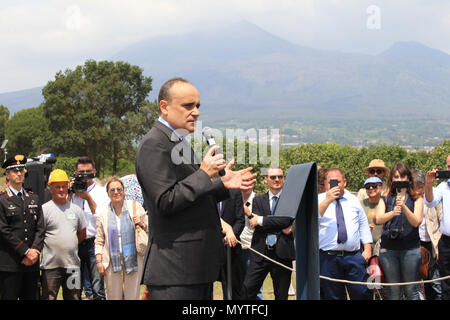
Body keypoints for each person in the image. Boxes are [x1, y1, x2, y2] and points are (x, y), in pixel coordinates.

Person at [135, 77, 256, 300]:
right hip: (176, 269)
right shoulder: (154, 144)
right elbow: (165, 201)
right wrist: (203, 174)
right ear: (164, 107)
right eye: (188, 106)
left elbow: (191, 196)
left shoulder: (178, 142)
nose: (196, 112)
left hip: (195, 267)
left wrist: (222, 184)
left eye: (198, 105)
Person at [318, 168, 372, 300]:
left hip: (353, 256)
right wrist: (327, 200)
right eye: (331, 182)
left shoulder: (353, 200)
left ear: (345, 182)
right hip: (328, 258)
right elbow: (311, 220)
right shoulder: (318, 199)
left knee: (361, 293)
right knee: (333, 296)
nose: (335, 185)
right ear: (325, 183)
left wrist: (368, 248)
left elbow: (363, 224)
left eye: (338, 181)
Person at [242, 167, 295, 300]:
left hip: (282, 255)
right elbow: (281, 223)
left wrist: (261, 220)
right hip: (260, 253)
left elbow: (286, 220)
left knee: (281, 295)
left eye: (280, 177)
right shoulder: (258, 200)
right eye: (273, 177)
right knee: (247, 291)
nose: (277, 180)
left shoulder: (290, 200)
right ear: (266, 180)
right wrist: (281, 225)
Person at [374, 162, 423, 300]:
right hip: (389, 249)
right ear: (391, 179)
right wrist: (393, 212)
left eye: (403, 176)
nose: (399, 180)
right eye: (396, 176)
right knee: (393, 291)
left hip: (410, 249)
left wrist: (404, 207)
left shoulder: (416, 197)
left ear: (408, 178)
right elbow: (377, 219)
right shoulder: (385, 196)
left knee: (411, 290)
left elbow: (416, 221)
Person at [95, 177, 148, 300]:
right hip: (112, 262)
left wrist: (141, 223)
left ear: (124, 192)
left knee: (132, 296)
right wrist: (98, 261)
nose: (116, 192)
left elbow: (149, 228)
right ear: (108, 194)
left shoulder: (135, 207)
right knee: (114, 297)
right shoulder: (103, 213)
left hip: (133, 261)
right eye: (112, 190)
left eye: (119, 189)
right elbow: (99, 240)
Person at [0, 154, 45, 300]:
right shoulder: (2, 200)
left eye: (21, 169)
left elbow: (40, 228)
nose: (19, 173)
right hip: (10, 264)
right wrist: (25, 251)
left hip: (31, 264)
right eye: (15, 170)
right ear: (7, 174)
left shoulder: (33, 198)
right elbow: (3, 230)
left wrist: (34, 251)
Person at [40, 169, 87, 300]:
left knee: (74, 297)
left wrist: (69, 244)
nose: (61, 190)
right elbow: (40, 235)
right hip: (50, 267)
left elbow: (82, 234)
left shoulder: (76, 210)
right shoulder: (44, 210)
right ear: (51, 188)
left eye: (64, 186)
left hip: (72, 266)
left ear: (68, 187)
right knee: (48, 297)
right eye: (57, 187)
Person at [70, 156, 109, 300]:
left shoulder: (101, 192)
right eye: (81, 172)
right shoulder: (71, 191)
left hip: (94, 244)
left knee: (97, 287)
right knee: (73, 286)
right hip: (74, 244)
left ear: (94, 171)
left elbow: (103, 218)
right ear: (75, 173)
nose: (85, 176)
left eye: (88, 172)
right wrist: (69, 194)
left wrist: (88, 198)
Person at [412, 169, 442, 300]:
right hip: (415, 244)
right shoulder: (409, 197)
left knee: (435, 281)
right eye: (415, 187)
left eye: (421, 186)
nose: (419, 190)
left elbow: (442, 219)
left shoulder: (434, 194)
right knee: (417, 282)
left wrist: (440, 244)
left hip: (432, 244)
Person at [425, 155, 450, 300]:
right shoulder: (443, 186)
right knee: (445, 283)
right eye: (448, 167)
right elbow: (430, 202)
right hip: (446, 241)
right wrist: (429, 185)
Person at [217, 189, 245, 300]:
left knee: (232, 291)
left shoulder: (235, 192)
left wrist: (231, 235)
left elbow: (240, 220)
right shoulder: (205, 189)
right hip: (208, 249)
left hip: (231, 250)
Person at [360, 176, 384, 255]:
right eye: (367, 187)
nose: (370, 188)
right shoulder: (360, 204)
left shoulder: (386, 203)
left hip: (382, 247)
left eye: (374, 186)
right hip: (364, 247)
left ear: (381, 187)